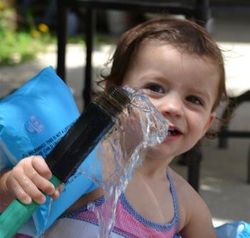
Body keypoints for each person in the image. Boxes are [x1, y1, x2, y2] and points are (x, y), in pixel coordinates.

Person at [0, 17, 226, 237]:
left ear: (207, 123)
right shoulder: (79, 164)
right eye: (155, 87)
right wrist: (12, 184)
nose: (173, 107)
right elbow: (11, 215)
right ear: (114, 95)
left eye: (194, 100)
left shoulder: (186, 204)